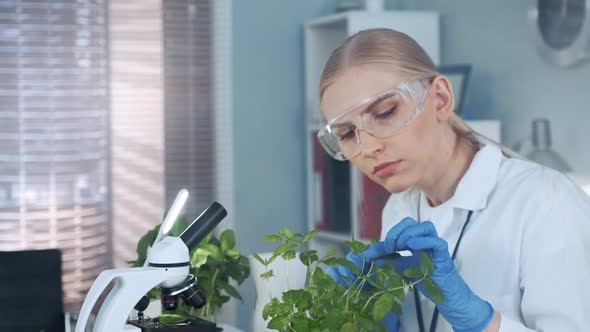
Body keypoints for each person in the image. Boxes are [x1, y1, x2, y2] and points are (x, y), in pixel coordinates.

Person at [319, 28, 590, 332]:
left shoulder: (547, 203)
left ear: (440, 99)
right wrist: (365, 313)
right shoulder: (399, 209)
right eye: (346, 133)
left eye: (385, 112)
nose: (367, 148)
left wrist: (482, 321)